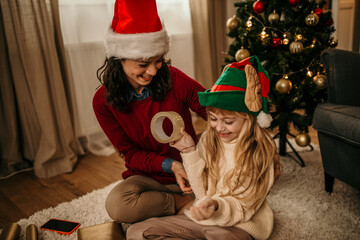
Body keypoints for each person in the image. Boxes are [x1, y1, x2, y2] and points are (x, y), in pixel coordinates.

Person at [126, 55, 276, 240]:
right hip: (203, 220)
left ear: (250, 119)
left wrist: (215, 205)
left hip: (238, 226)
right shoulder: (210, 140)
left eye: (228, 121)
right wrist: (189, 151)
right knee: (136, 232)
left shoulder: (259, 152)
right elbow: (201, 192)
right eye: (213, 119)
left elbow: (242, 208)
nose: (219, 127)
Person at [93, 0, 207, 224]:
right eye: (143, 63)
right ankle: (181, 202)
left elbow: (210, 109)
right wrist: (172, 166)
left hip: (194, 165)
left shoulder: (173, 78)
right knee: (117, 205)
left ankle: (190, 196)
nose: (153, 71)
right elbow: (131, 154)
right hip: (150, 176)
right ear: (119, 59)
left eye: (158, 61)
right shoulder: (103, 102)